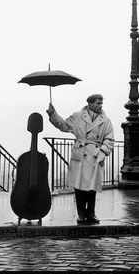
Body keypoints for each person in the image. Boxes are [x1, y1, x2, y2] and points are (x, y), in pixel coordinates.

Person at [46, 94, 114, 224]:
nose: (100, 106)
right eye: (98, 103)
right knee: (79, 187)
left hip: (95, 155)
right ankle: (81, 214)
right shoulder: (77, 116)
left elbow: (109, 139)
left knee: (92, 187)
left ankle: (91, 213)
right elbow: (64, 126)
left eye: (101, 104)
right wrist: (53, 114)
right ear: (89, 103)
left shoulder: (106, 121)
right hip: (80, 154)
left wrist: (102, 151)